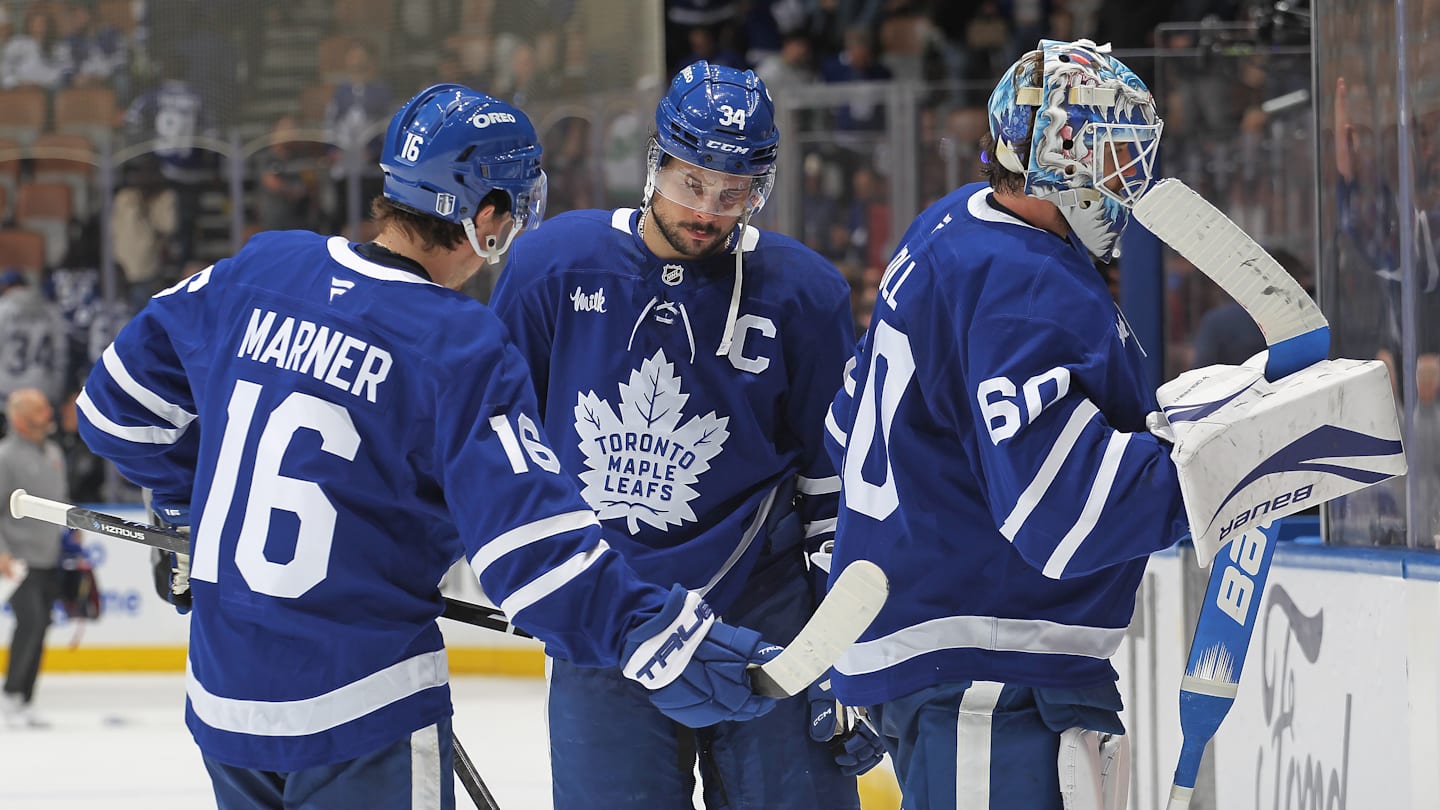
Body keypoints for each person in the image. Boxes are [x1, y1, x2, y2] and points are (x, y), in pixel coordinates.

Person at [75, 83, 783, 809]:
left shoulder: (262, 269)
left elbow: (114, 411)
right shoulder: (456, 342)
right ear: (486, 218)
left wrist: (186, 510)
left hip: (224, 705)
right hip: (362, 707)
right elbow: (531, 554)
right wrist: (655, 629)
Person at [490, 61, 883, 810]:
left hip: (765, 614)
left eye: (733, 191)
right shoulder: (552, 267)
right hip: (608, 607)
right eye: (692, 182)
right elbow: (506, 448)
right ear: (656, 161)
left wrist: (846, 646)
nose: (707, 208)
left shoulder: (806, 293)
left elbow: (835, 482)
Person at [824, 39, 1188, 809]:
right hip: (987, 666)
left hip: (952, 649)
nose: (1131, 184)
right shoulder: (1023, 282)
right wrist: (1211, 469)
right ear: (1064, 157)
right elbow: (1059, 518)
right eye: (1117, 160)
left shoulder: (953, 226)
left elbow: (846, 424)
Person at [0, 388, 66, 729]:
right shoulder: (6, 457)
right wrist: (2, 552)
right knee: (30, 622)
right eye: (39, 409)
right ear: (20, 418)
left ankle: (24, 698)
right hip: (18, 561)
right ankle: (11, 693)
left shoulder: (53, 451)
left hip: (49, 558)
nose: (47, 413)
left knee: (41, 627)